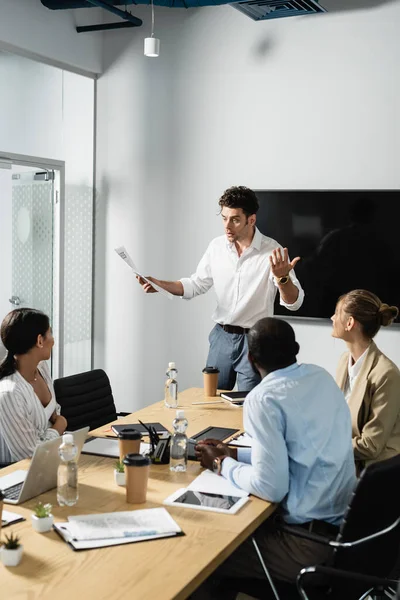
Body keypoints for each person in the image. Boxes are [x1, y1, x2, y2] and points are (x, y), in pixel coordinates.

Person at [193, 317, 356, 598]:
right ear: (296, 348)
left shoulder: (263, 398)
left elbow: (272, 487)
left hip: (305, 545)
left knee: (202, 555)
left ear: (249, 356)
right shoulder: (321, 377)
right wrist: (236, 454)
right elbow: (298, 450)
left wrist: (221, 464)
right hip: (346, 534)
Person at [137, 186, 304, 391]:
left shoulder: (273, 252)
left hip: (255, 340)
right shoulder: (216, 247)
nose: (227, 226)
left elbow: (294, 303)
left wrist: (283, 278)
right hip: (221, 337)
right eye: (224, 218)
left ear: (251, 220)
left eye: (234, 219)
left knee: (248, 405)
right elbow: (196, 284)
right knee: (211, 401)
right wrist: (160, 285)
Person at [332, 289, 400, 472]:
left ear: (350, 323)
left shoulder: (386, 374)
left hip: (372, 472)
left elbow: (371, 445)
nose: (332, 318)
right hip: (345, 461)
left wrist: (327, 447)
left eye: (337, 313)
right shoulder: (343, 361)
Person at [0, 308, 67, 463]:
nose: (53, 340)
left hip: (50, 457)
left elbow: (53, 412)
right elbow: (30, 456)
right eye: (50, 333)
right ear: (39, 340)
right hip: (16, 473)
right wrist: (59, 426)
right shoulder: (10, 393)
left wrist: (55, 424)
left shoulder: (41, 367)